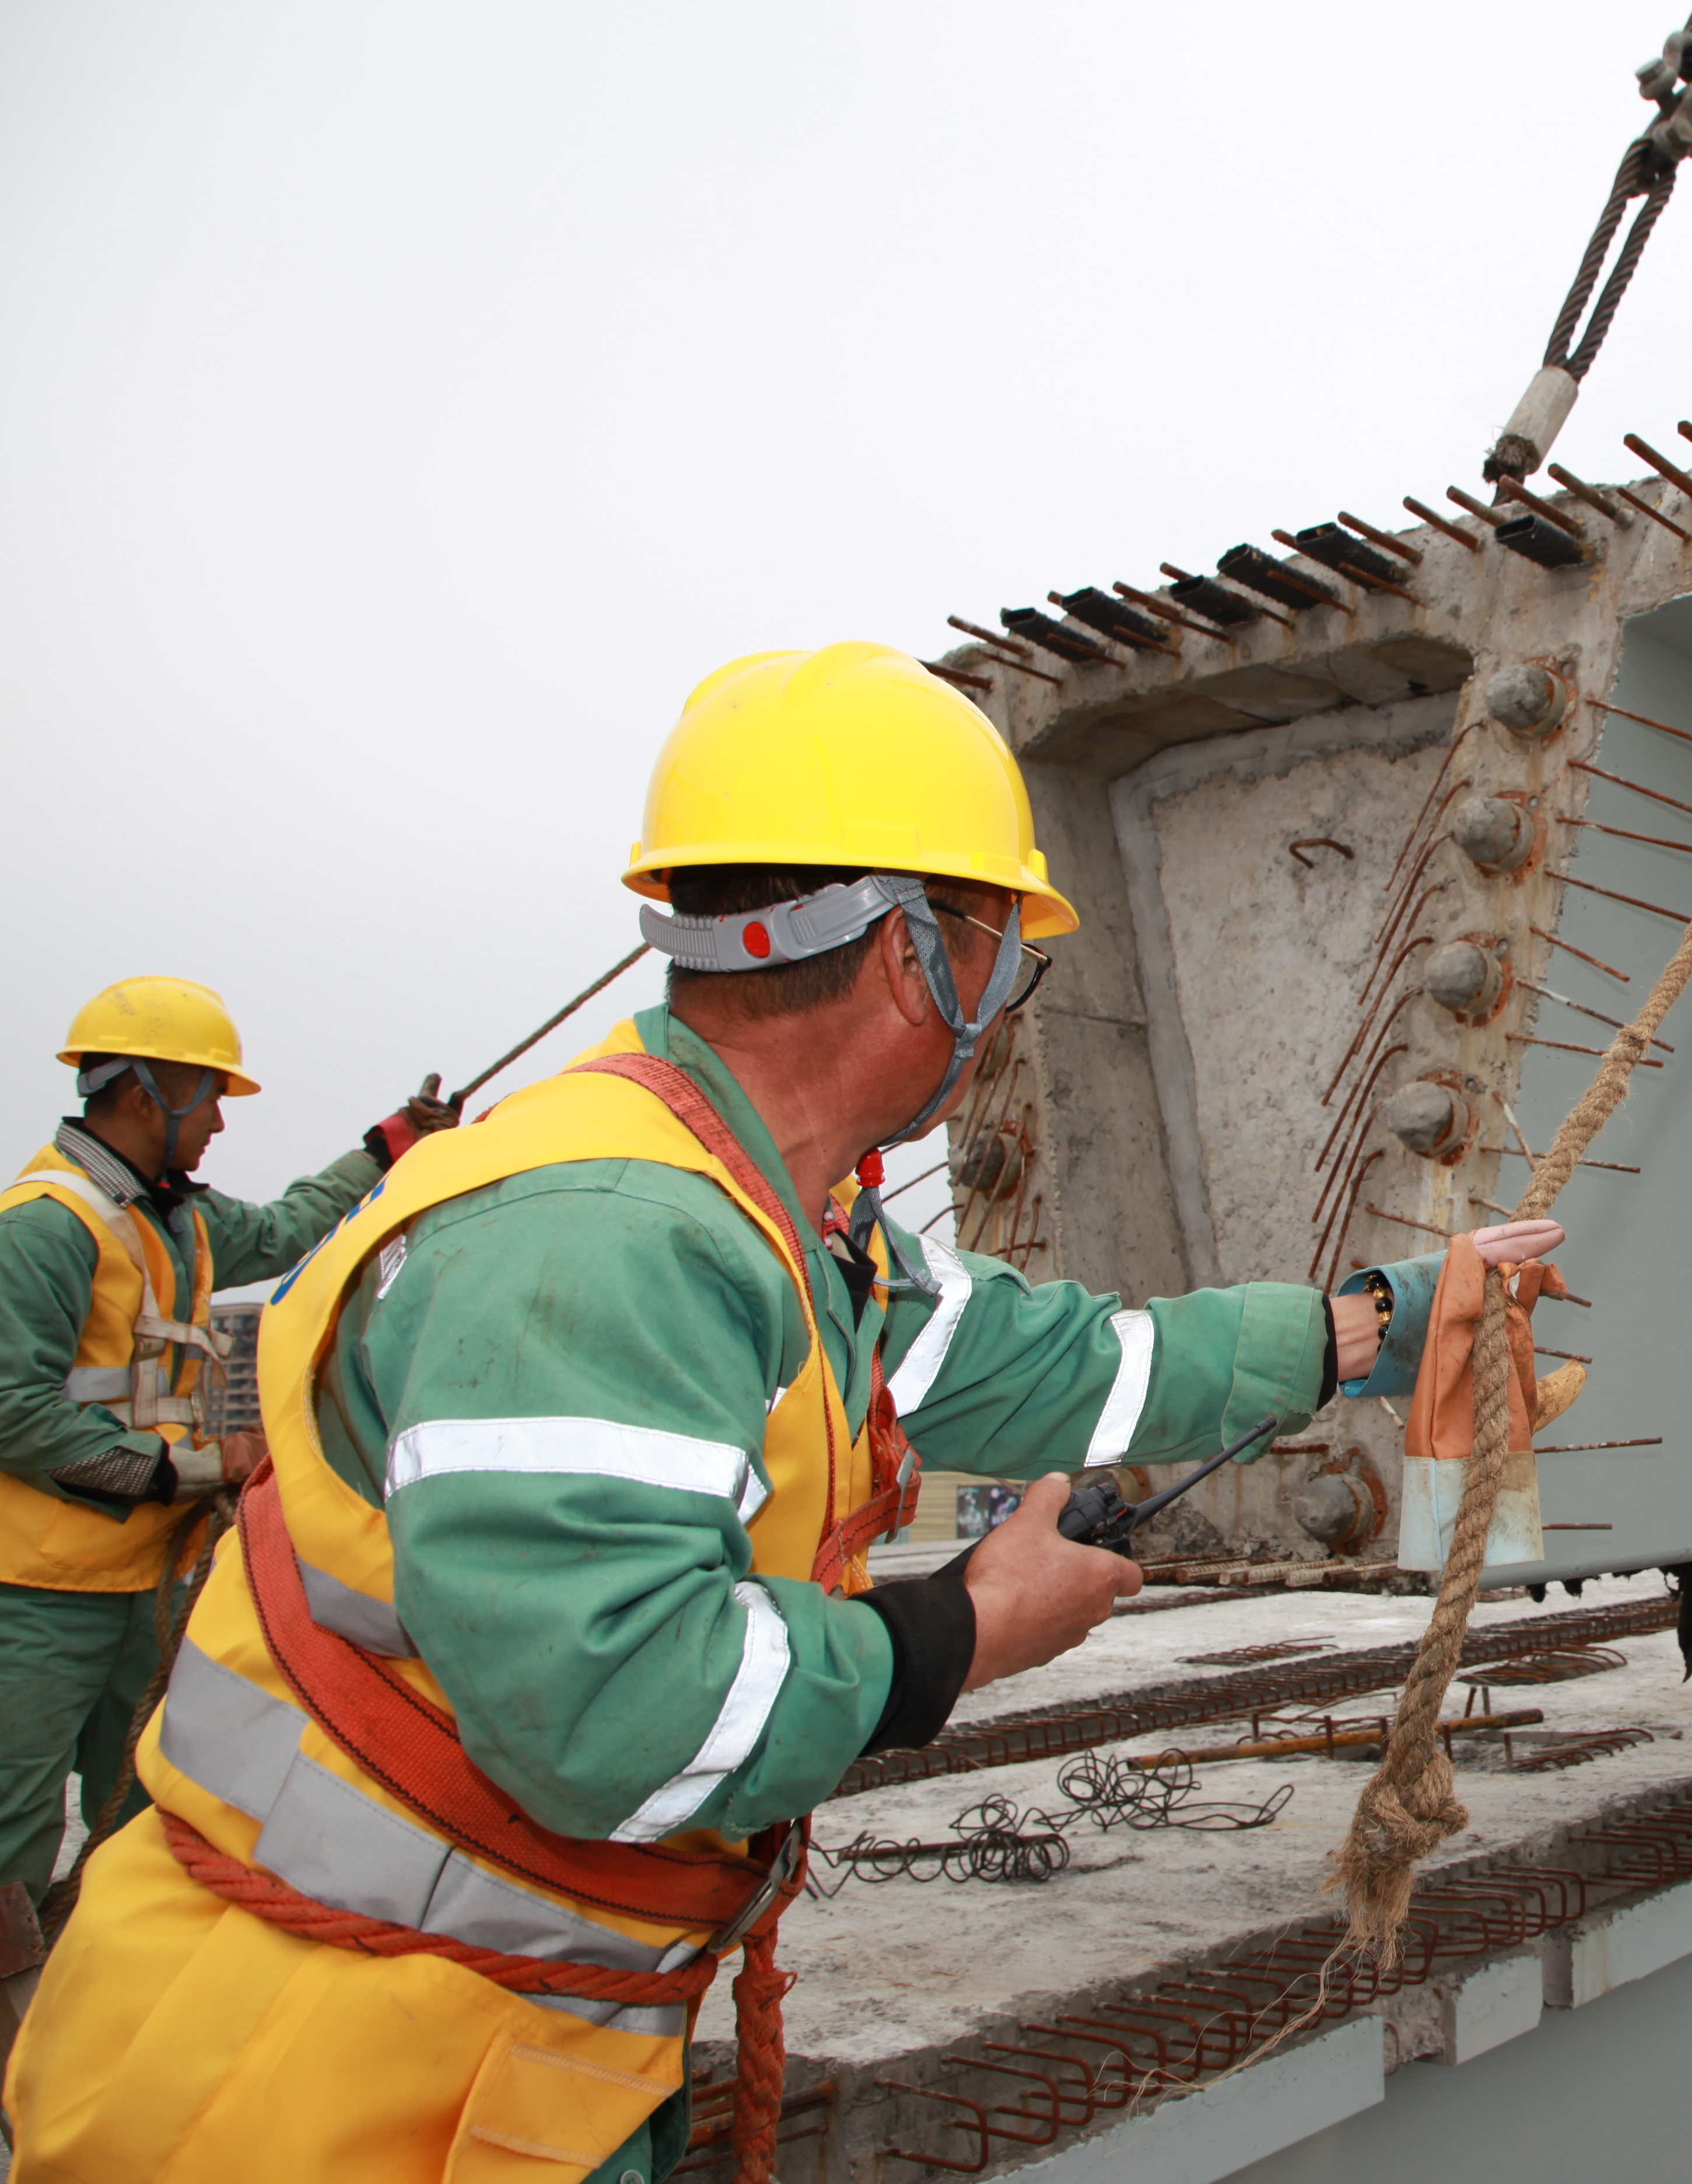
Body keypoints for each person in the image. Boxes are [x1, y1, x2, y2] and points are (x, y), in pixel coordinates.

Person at [3, 642, 1556, 2183]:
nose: (1003, 1003)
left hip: (488, 2054)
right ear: (909, 956)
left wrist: (1379, 1322)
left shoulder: (775, 1218)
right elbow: (614, 1714)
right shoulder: (602, 1238)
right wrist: (962, 1630)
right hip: (300, 2096)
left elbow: (1063, 1368)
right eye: (1007, 957)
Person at [0, 978, 454, 1942]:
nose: (214, 1119)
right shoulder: (44, 1225)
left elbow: (293, 1226)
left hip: (147, 1583)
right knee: (12, 1830)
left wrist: (389, 1146)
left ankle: (97, 2025)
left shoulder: (178, 1222)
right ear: (142, 1092)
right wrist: (171, 1471)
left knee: (145, 1817)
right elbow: (13, 1409)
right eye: (205, 1094)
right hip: (38, 1595)